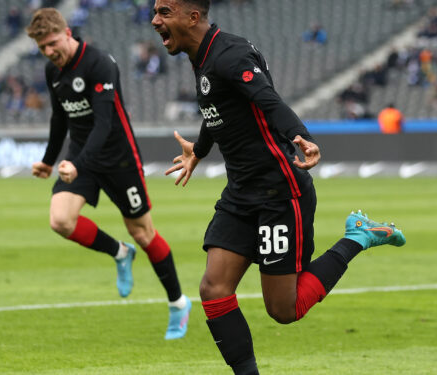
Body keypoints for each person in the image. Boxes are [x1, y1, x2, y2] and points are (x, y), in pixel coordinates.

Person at [152, 1, 406, 373]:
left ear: (192, 17)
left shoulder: (231, 53)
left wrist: (300, 135)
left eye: (164, 11)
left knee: (284, 310)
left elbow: (267, 99)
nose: (155, 20)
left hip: (278, 192)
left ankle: (359, 237)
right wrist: (200, 152)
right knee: (213, 288)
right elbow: (219, 107)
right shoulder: (203, 55)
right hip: (240, 193)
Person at [25, 8, 192, 340]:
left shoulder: (100, 63)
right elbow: (60, 118)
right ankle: (119, 252)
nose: (49, 52)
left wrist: (78, 164)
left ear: (67, 32)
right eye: (42, 47)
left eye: (53, 43)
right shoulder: (52, 70)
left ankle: (178, 303)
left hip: (118, 158)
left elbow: (103, 123)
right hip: (81, 156)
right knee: (60, 220)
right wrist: (48, 160)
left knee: (144, 233)